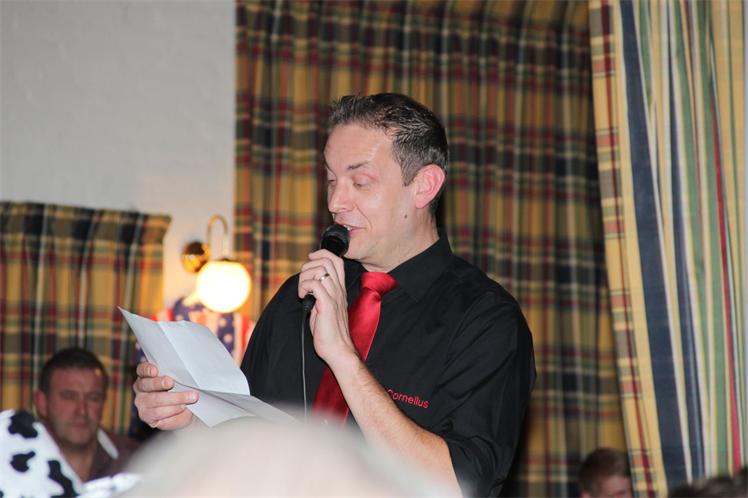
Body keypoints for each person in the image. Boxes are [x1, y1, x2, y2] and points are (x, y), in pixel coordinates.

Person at [134, 92, 536, 496]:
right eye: (330, 180)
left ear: (424, 186)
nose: (335, 202)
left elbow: (456, 484)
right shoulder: (298, 296)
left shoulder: (486, 320)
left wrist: (344, 356)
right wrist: (190, 419)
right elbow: (248, 441)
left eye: (360, 182)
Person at [34, 346, 139, 482]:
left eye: (93, 398)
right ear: (42, 402)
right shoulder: (16, 461)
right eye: (69, 396)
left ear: (104, 403)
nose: (82, 411)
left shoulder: (136, 461)